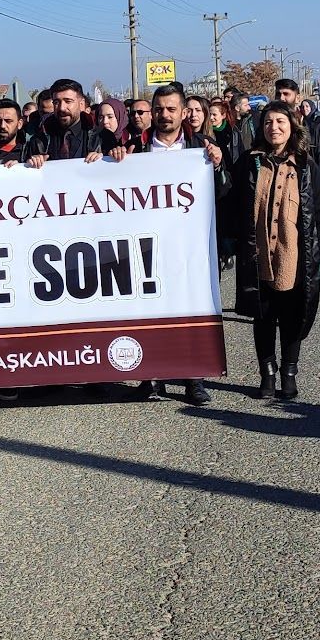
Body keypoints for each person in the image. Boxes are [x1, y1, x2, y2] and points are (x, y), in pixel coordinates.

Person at [120, 84, 225, 405]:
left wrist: (217, 166)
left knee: (191, 308)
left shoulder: (202, 148)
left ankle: (194, 379)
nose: (165, 115)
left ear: (183, 113)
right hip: (148, 247)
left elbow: (224, 193)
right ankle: (152, 377)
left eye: (171, 109)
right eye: (159, 109)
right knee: (149, 311)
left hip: (189, 245)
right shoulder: (134, 151)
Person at [229, 101, 320, 401]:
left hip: (294, 254)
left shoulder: (305, 165)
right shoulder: (251, 162)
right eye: (268, 122)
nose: (274, 127)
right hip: (258, 252)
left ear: (291, 126)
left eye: (280, 122)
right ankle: (267, 374)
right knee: (262, 316)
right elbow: (231, 198)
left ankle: (289, 372)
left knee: (291, 316)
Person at [22, 79, 120, 166]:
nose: (62, 108)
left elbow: (116, 174)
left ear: (81, 104)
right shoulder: (39, 140)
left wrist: (106, 159)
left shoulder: (103, 138)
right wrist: (31, 163)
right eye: (56, 102)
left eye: (68, 101)